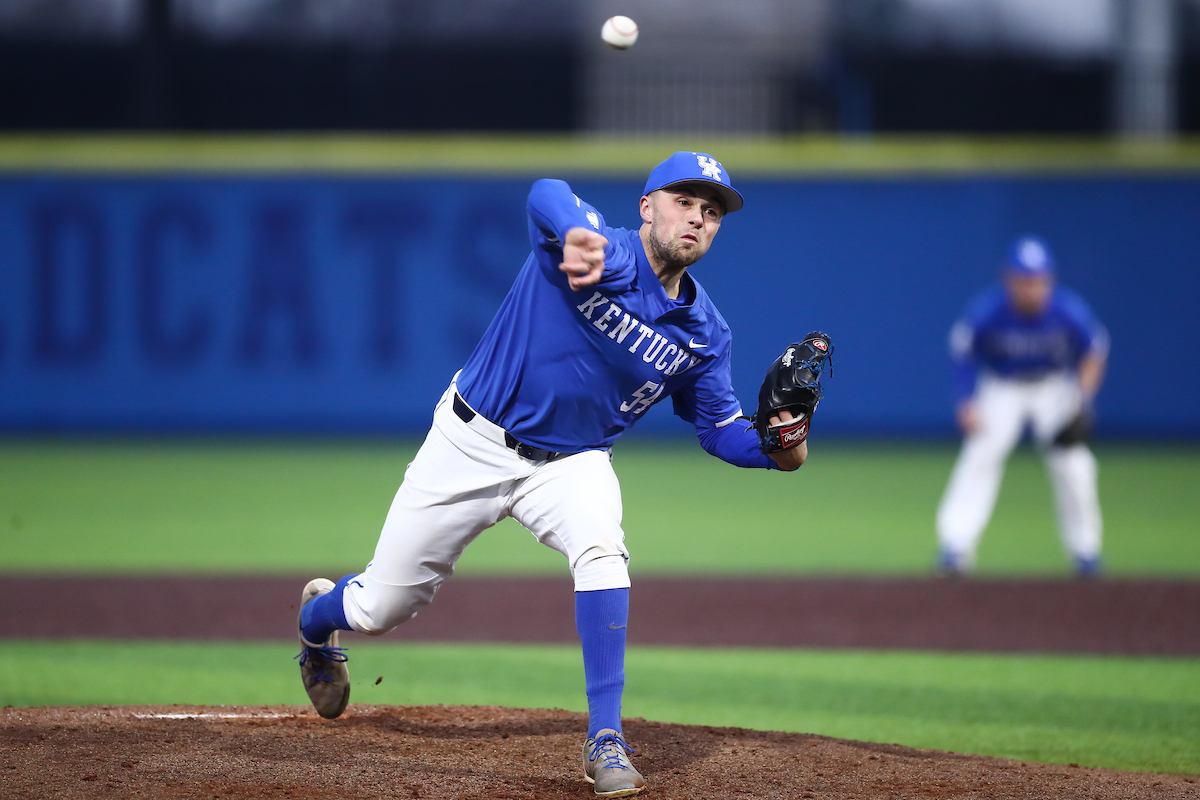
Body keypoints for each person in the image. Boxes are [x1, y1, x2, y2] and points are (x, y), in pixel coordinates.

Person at [294, 152, 809, 798]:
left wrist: (776, 447)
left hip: (574, 461)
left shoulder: (705, 334)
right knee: (384, 605)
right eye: (685, 202)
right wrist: (575, 235)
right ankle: (318, 621)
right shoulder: (598, 248)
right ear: (647, 207)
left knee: (603, 551)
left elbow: (720, 429)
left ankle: (605, 739)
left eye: (711, 213)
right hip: (471, 441)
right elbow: (546, 191)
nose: (698, 219)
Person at [936, 236, 1108, 578]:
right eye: (1023, 279)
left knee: (1075, 466)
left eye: (1038, 279)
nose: (1031, 287)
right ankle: (955, 547)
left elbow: (1096, 348)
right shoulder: (988, 310)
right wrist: (965, 399)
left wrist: (1082, 399)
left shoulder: (1067, 309)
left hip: (1053, 388)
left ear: (1049, 280)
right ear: (1009, 280)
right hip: (1003, 388)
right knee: (980, 457)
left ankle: (1085, 552)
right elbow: (963, 351)